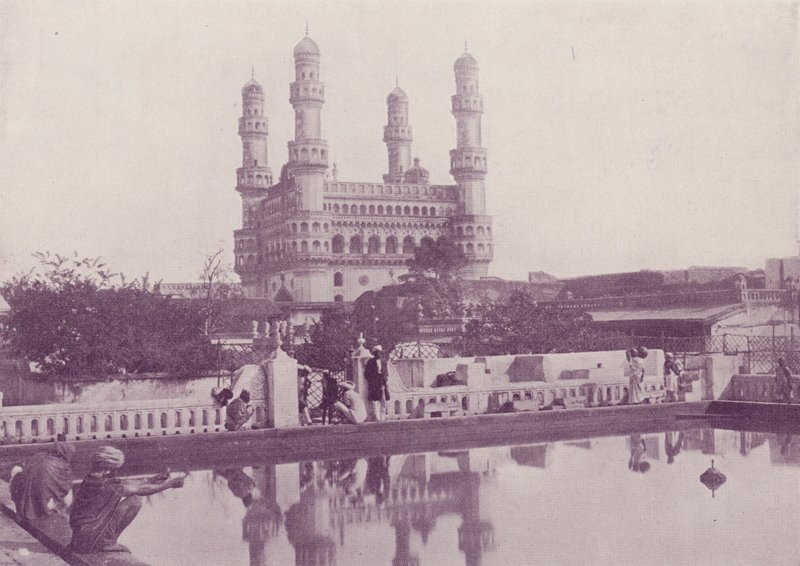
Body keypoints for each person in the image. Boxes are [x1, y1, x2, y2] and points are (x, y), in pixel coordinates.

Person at [69, 447, 185, 553]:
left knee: (131, 499)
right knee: (135, 501)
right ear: (108, 468)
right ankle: (108, 542)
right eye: (115, 469)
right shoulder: (108, 486)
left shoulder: (91, 479)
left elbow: (127, 483)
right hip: (89, 538)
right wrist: (170, 484)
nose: (115, 472)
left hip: (79, 536)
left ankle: (106, 540)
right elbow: (141, 490)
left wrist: (151, 480)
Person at [10, 441, 76, 524]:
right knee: (66, 495)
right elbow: (67, 501)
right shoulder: (63, 466)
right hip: (43, 507)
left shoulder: (38, 456)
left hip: (22, 502)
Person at [364, 345, 387, 421]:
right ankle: (377, 417)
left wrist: (385, 380)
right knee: (374, 400)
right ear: (374, 353)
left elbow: (386, 372)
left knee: (383, 399)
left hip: (382, 382)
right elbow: (366, 374)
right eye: (377, 353)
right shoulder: (370, 362)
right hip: (374, 383)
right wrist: (371, 381)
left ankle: (382, 417)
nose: (378, 354)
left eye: (379, 352)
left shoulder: (383, 361)